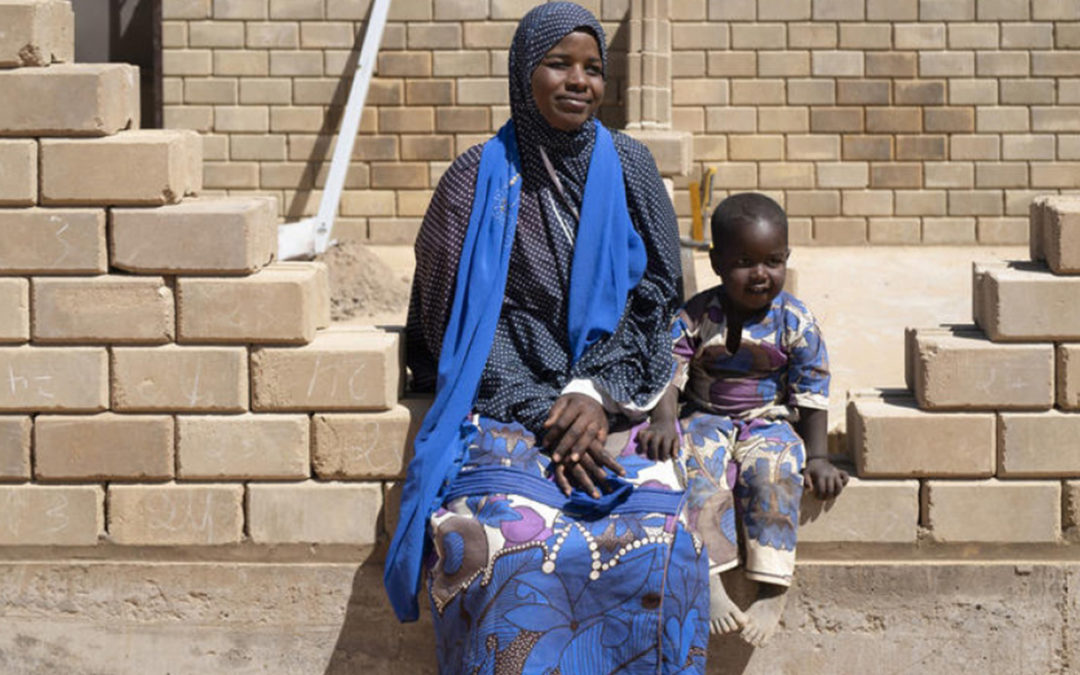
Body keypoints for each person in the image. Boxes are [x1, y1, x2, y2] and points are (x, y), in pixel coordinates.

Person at [384, 3, 710, 672]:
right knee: (501, 541)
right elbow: (456, 321)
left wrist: (596, 391)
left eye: (592, 68)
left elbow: (657, 294)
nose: (578, 81)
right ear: (522, 73)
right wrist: (550, 412)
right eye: (558, 64)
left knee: (661, 540)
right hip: (509, 399)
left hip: (619, 393)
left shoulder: (631, 165)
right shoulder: (472, 181)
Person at [638, 192, 849, 647]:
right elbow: (671, 373)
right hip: (706, 416)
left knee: (774, 469)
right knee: (692, 466)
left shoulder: (795, 320)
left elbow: (812, 390)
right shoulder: (697, 315)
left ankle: (772, 588)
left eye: (773, 261)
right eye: (744, 262)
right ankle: (710, 580)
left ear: (787, 258)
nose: (760, 274)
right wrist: (663, 422)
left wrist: (817, 456)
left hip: (769, 419)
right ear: (716, 263)